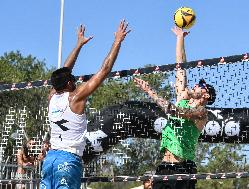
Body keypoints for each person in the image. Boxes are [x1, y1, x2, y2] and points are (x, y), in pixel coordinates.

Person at [40, 20, 130, 189]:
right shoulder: (75, 98)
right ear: (68, 84)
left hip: (50, 160)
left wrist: (78, 45)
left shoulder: (52, 96)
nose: (74, 80)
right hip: (68, 160)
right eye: (72, 79)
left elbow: (63, 72)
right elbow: (104, 70)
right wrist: (117, 41)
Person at [134, 26, 216, 189]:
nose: (195, 85)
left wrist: (150, 91)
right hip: (165, 166)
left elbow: (177, 112)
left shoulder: (202, 113)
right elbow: (181, 67)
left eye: (201, 85)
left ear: (206, 96)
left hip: (183, 169)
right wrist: (180, 38)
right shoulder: (181, 99)